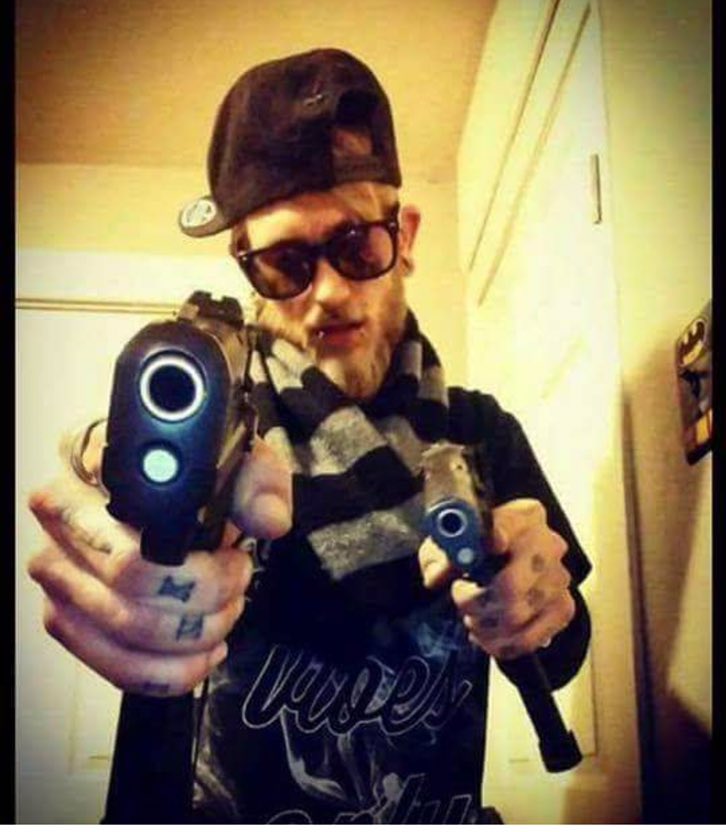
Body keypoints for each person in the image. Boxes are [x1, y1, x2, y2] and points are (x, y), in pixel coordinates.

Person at [28, 48, 591, 824]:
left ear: (406, 236)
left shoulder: (482, 430)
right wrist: (122, 502)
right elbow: (108, 486)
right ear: (245, 265)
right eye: (286, 263)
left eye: (357, 245)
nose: (327, 292)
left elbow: (561, 659)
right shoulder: (224, 438)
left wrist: (540, 609)